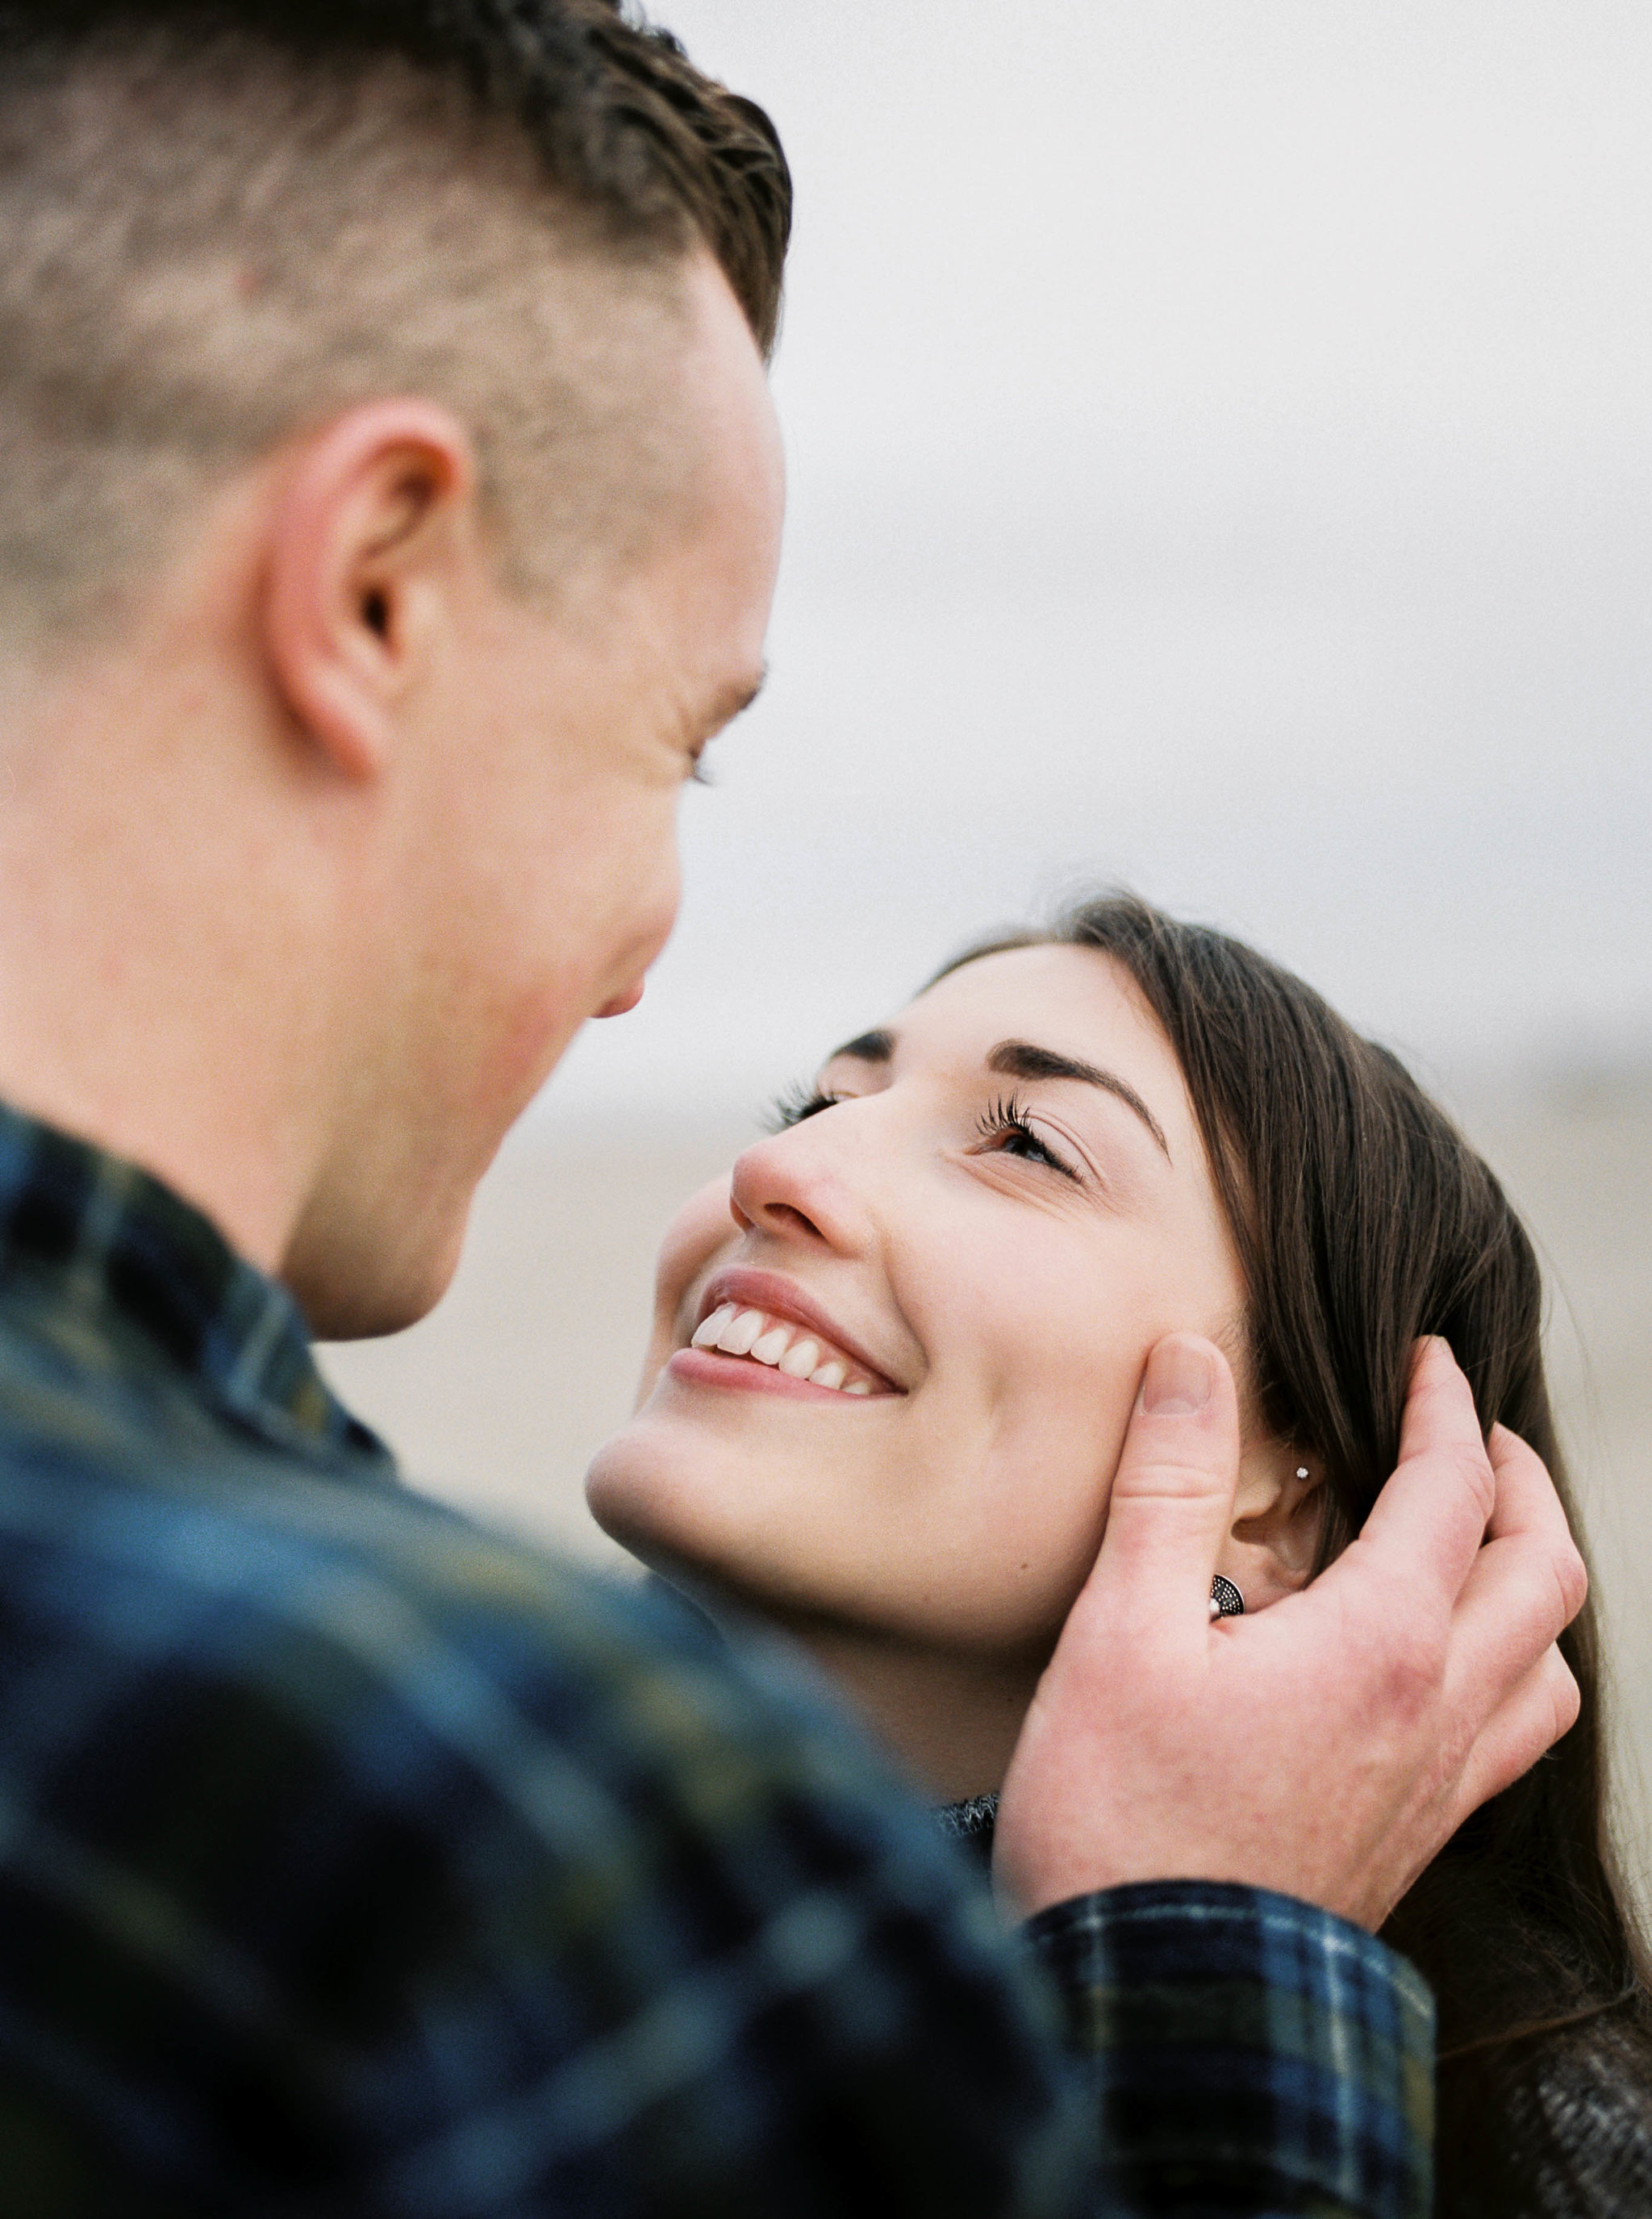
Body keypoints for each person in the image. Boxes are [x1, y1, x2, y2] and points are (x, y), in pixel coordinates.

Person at [0, 2, 1584, 2212]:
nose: (773, 1153)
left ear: (1301, 1485)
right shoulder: (513, 1830)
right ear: (369, 587)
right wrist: (1226, 1971)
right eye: (678, 743)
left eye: (1022, 1138)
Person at [588, 892, 1652, 2217]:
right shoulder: (432, 1877)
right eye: (815, 1108)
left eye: (1028, 1143)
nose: (777, 1173)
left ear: (1277, 1502)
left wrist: (1197, 1964)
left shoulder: (1542, 2152)